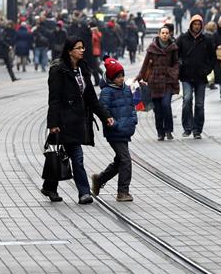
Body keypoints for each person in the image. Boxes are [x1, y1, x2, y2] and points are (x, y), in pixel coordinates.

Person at [42, 37, 113, 204]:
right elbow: (54, 99)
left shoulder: (82, 68)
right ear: (69, 51)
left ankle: (50, 187)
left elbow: (91, 98)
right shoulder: (58, 69)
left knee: (63, 156)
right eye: (78, 48)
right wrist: (53, 124)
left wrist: (105, 116)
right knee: (74, 157)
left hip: (78, 121)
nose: (82, 50)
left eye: (83, 47)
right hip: (63, 122)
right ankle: (83, 192)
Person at [91, 58, 136, 202]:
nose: (121, 79)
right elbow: (104, 111)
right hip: (115, 132)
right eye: (118, 76)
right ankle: (122, 192)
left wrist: (133, 120)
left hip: (125, 130)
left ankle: (100, 179)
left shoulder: (126, 89)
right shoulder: (106, 92)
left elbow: (131, 106)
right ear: (111, 78)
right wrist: (114, 125)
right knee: (126, 160)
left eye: (122, 75)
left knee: (120, 161)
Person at [136, 26, 180, 141]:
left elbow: (176, 63)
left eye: (166, 33)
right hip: (154, 81)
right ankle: (160, 132)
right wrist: (139, 77)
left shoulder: (173, 48)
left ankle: (169, 130)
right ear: (159, 34)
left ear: (169, 34)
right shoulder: (152, 48)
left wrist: (173, 72)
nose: (165, 35)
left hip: (168, 80)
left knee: (166, 105)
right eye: (163, 33)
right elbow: (145, 64)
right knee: (158, 109)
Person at [176, 15, 215, 139]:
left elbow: (212, 57)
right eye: (195, 24)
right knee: (187, 100)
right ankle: (187, 127)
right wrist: (180, 67)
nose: (197, 26)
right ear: (191, 25)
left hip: (200, 76)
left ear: (202, 26)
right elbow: (175, 55)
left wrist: (207, 70)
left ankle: (197, 129)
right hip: (186, 75)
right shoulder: (182, 39)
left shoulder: (207, 40)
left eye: (199, 24)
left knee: (199, 104)